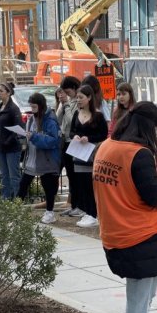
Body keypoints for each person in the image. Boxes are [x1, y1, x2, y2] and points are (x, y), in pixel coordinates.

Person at [93, 101, 157, 313]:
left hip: (115, 231)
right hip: (141, 233)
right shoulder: (139, 154)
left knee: (142, 296)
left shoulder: (105, 147)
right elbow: (154, 195)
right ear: (149, 127)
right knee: (140, 299)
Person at [17, 92, 61, 224]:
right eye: (31, 106)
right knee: (23, 184)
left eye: (34, 107)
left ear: (41, 106)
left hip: (47, 159)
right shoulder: (31, 118)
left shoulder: (50, 120)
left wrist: (34, 137)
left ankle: (50, 212)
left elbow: (53, 141)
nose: (32, 109)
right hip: (32, 157)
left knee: (48, 186)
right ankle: (15, 209)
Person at [69, 84, 108, 227]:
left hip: (92, 154)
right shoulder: (76, 114)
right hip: (78, 153)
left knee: (91, 184)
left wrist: (88, 138)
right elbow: (71, 132)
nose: (78, 100)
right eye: (77, 97)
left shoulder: (98, 115)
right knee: (81, 184)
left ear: (89, 98)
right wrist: (76, 137)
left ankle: (94, 214)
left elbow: (103, 134)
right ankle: (87, 211)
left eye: (81, 97)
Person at [56, 76, 81, 217]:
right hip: (64, 142)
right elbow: (58, 119)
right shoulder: (66, 101)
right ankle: (73, 205)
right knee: (70, 175)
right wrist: (62, 105)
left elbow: (73, 121)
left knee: (76, 175)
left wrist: (66, 106)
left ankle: (77, 204)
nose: (66, 94)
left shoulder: (78, 101)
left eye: (67, 91)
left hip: (74, 142)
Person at [0, 82, 22, 199]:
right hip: (0, 147)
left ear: (8, 93)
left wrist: (8, 140)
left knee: (14, 176)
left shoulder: (14, 109)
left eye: (1, 91)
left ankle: (18, 200)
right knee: (3, 175)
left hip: (12, 148)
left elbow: (19, 128)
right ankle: (5, 199)